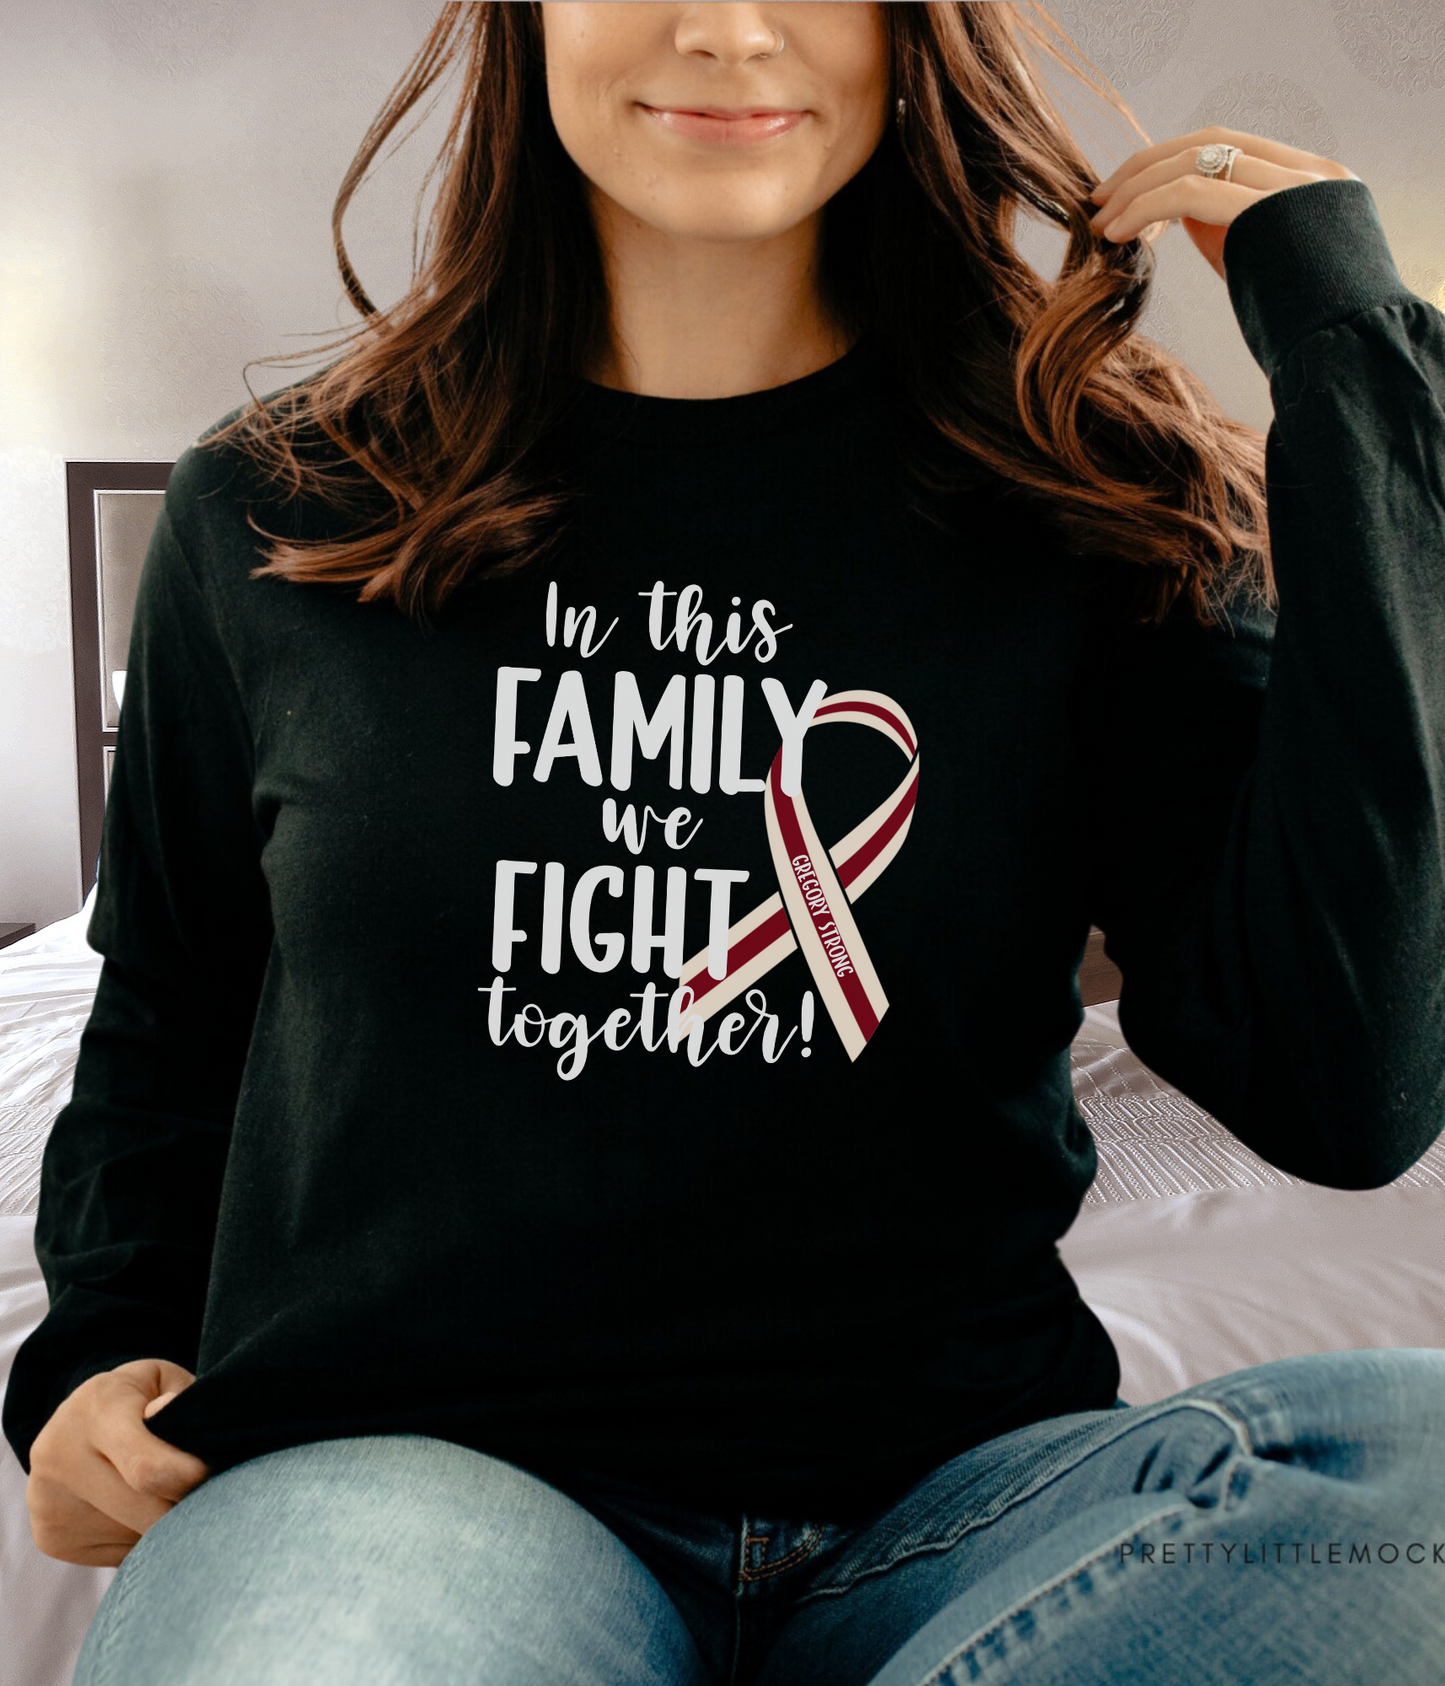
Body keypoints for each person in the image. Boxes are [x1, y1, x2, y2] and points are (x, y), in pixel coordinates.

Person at [6, 3, 1445, 1682]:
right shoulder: (282, 509)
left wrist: (1357, 351)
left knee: (1405, 1472)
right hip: (417, 1486)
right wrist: (90, 1355)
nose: (729, 27)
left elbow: (1351, 1089)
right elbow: (174, 1012)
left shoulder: (1091, 508)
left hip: (963, 1515)